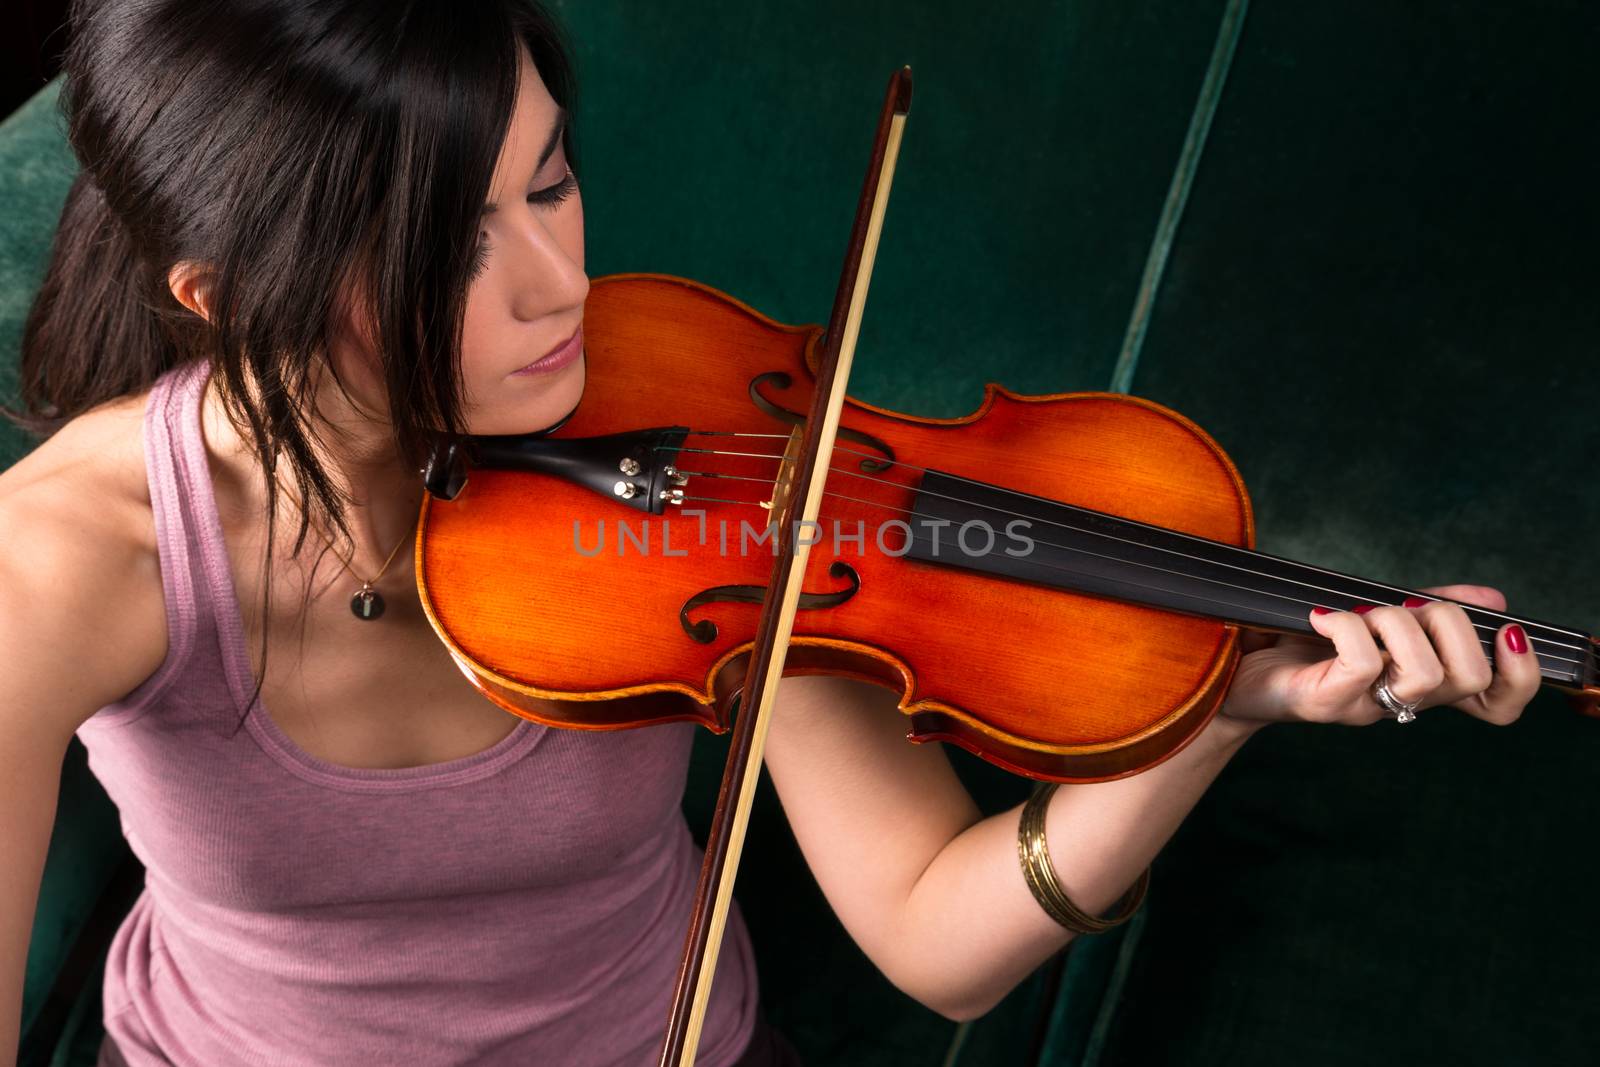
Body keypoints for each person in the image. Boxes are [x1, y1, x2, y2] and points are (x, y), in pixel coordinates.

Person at [0, 1, 1544, 1065]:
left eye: (550, 183)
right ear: (225, 299)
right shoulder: (67, 559)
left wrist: (1214, 706)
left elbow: (939, 933)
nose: (555, 287)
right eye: (453, 250)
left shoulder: (685, 431)